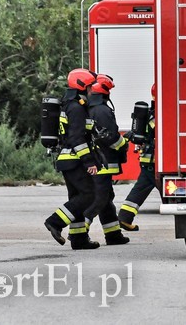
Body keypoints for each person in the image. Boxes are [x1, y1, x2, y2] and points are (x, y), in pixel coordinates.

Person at [44, 68, 100, 250]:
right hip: (75, 159)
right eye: (90, 87)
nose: (92, 90)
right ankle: (55, 222)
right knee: (88, 194)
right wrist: (89, 162)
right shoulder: (76, 108)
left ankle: (78, 238)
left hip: (68, 159)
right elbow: (77, 138)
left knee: (76, 196)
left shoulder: (70, 105)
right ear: (82, 86)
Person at [83, 75, 130, 245]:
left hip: (98, 160)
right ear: (104, 90)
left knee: (106, 198)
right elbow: (110, 137)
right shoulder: (101, 110)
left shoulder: (92, 108)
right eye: (108, 90)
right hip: (102, 162)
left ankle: (113, 235)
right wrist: (124, 143)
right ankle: (80, 232)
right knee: (99, 199)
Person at [119, 83, 158, 231]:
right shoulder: (157, 115)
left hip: (147, 160)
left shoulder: (148, 113)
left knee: (140, 190)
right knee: (172, 194)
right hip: (155, 161)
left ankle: (125, 217)